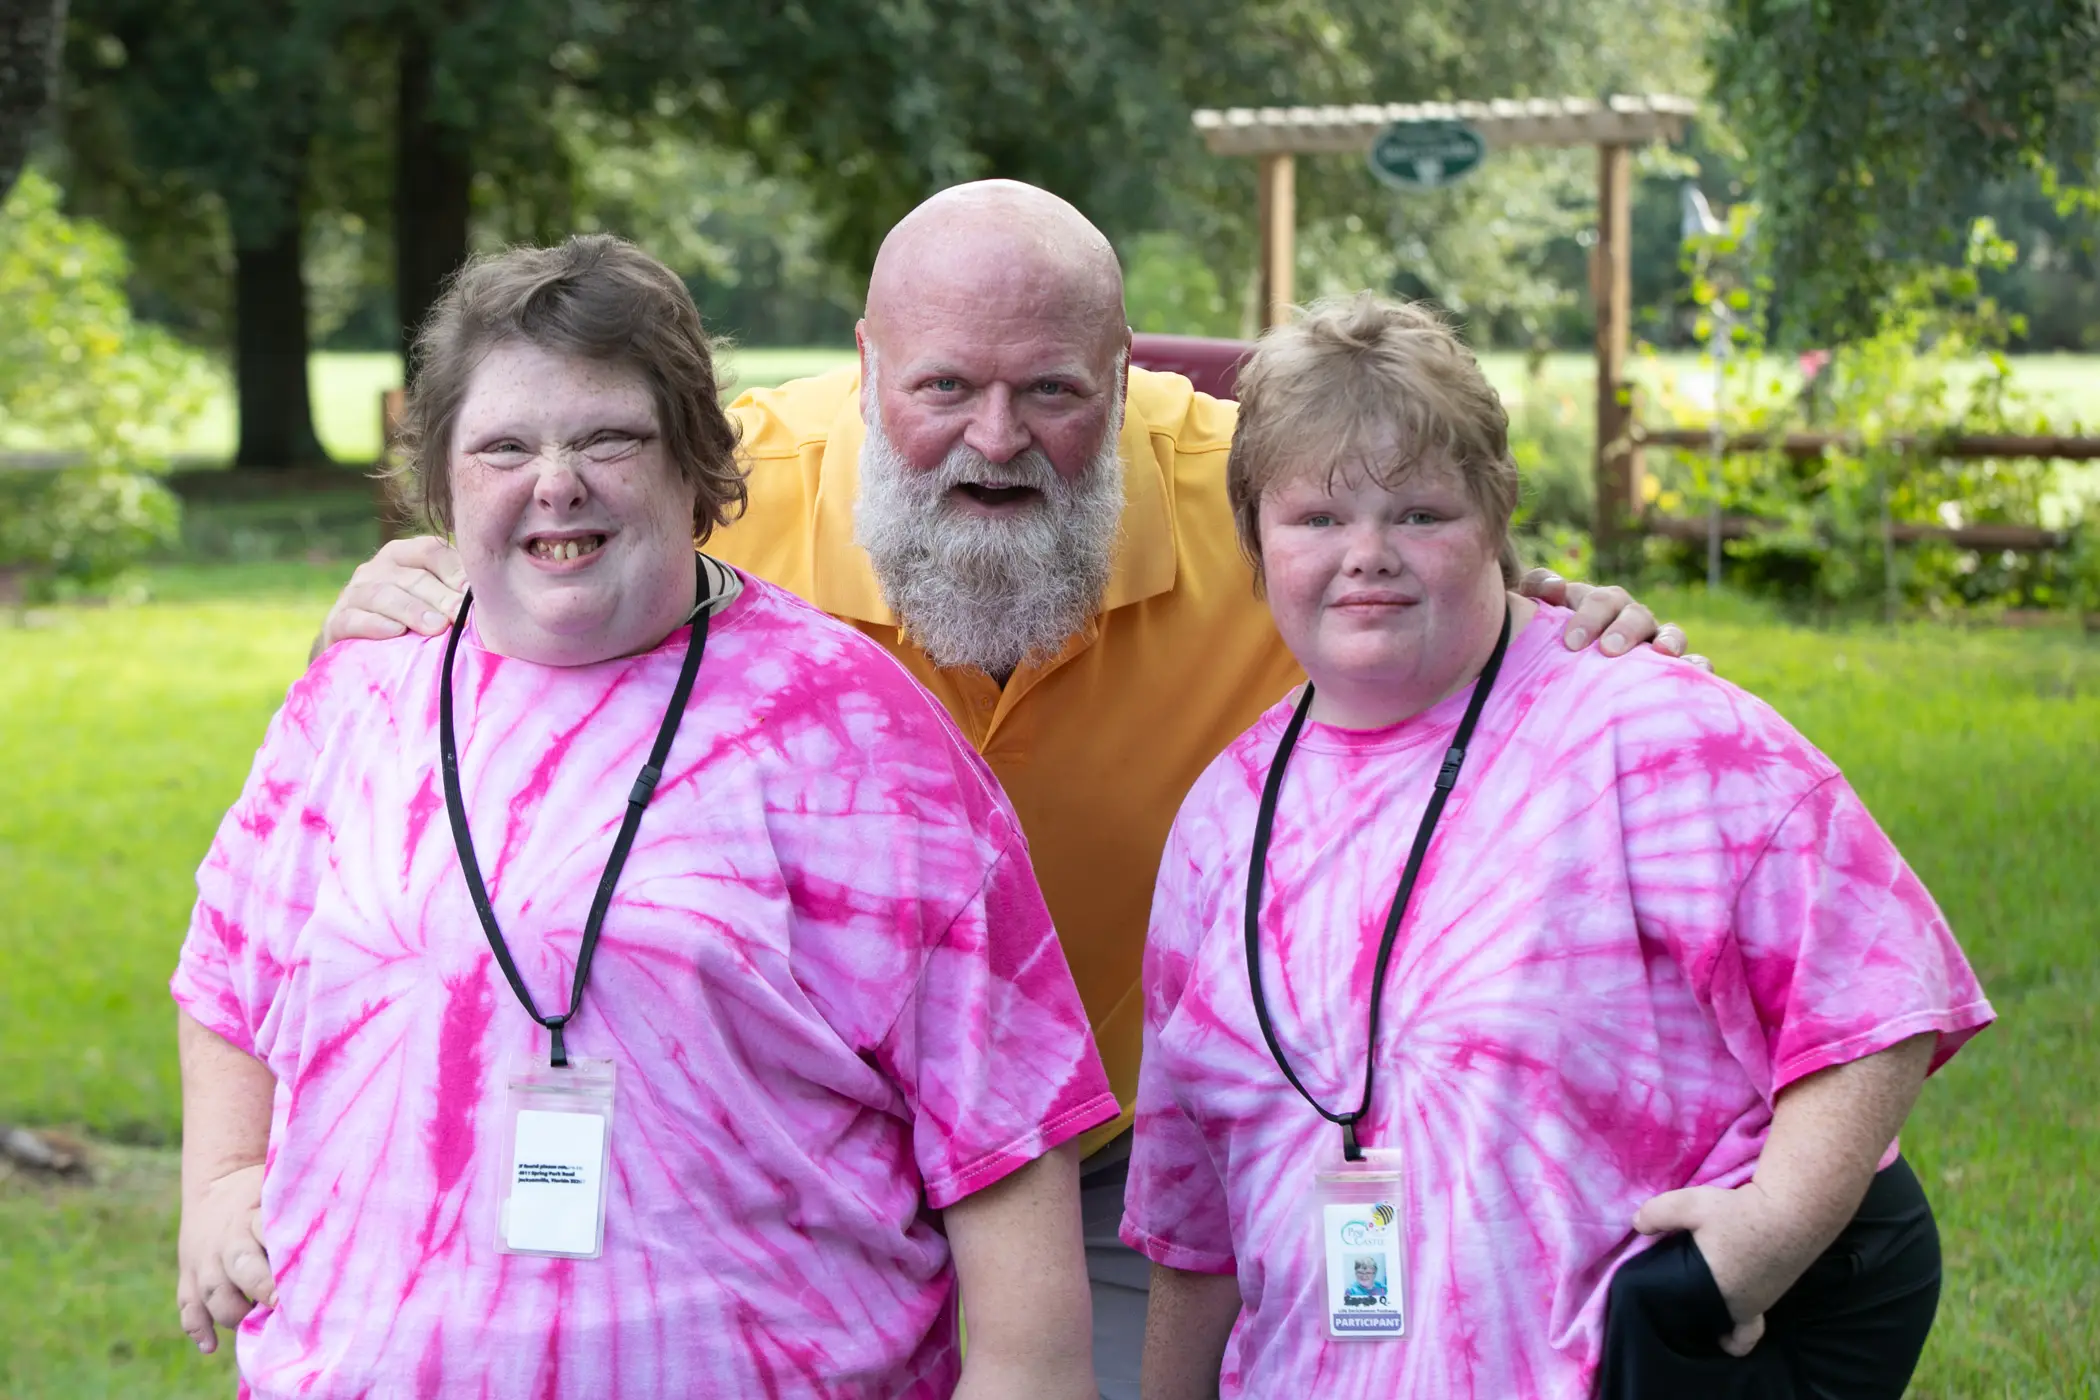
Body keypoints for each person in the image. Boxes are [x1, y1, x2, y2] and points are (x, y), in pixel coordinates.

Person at [310, 181, 1691, 1397]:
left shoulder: (1265, 505)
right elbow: (506, 609)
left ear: (1127, 373)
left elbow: (1446, 603)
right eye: (942, 388)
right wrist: (399, 595)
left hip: (1130, 1154)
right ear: (864, 371)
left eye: (1051, 391)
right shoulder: (712, 495)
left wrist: (1579, 640)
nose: (995, 436)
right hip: (797, 1142)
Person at [172, 234, 1115, 1399]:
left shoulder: (858, 737)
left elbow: (1011, 1137)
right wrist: (220, 1177)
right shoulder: (361, 699)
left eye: (606, 438)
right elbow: (231, 959)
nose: (554, 482)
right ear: (445, 475)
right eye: (504, 445)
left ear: (694, 461)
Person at [1123, 294, 1994, 1400]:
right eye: (1318, 519)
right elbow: (1195, 1217)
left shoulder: (1650, 732)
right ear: (1253, 541)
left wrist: (1748, 1250)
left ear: (1497, 518)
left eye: (1421, 513)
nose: (1369, 556)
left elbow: (1880, 1000)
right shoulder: (1219, 818)